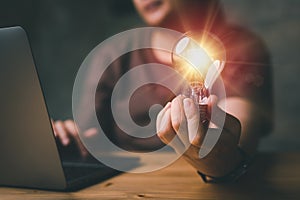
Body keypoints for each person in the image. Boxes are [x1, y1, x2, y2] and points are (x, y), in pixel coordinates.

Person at [53, 0, 273, 181]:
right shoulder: (113, 55)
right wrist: (66, 140)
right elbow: (88, 137)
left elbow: (237, 137)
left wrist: (219, 157)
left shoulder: (240, 48)